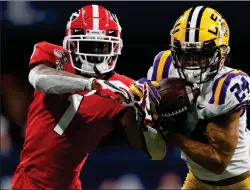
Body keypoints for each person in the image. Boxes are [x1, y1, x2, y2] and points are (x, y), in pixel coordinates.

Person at [11, 4, 166, 189]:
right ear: (70, 44)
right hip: (29, 182)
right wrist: (92, 84)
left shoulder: (125, 88)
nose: (94, 54)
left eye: (101, 47)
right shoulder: (57, 57)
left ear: (115, 47)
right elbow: (38, 78)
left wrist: (145, 115)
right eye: (87, 45)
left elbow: (156, 152)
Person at [135, 6, 250, 189]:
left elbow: (219, 162)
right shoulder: (164, 67)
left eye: (201, 55)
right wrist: (141, 105)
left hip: (238, 183)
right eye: (185, 55)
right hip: (197, 181)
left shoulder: (227, 86)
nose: (192, 64)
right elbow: (155, 151)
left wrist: (173, 134)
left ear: (221, 53)